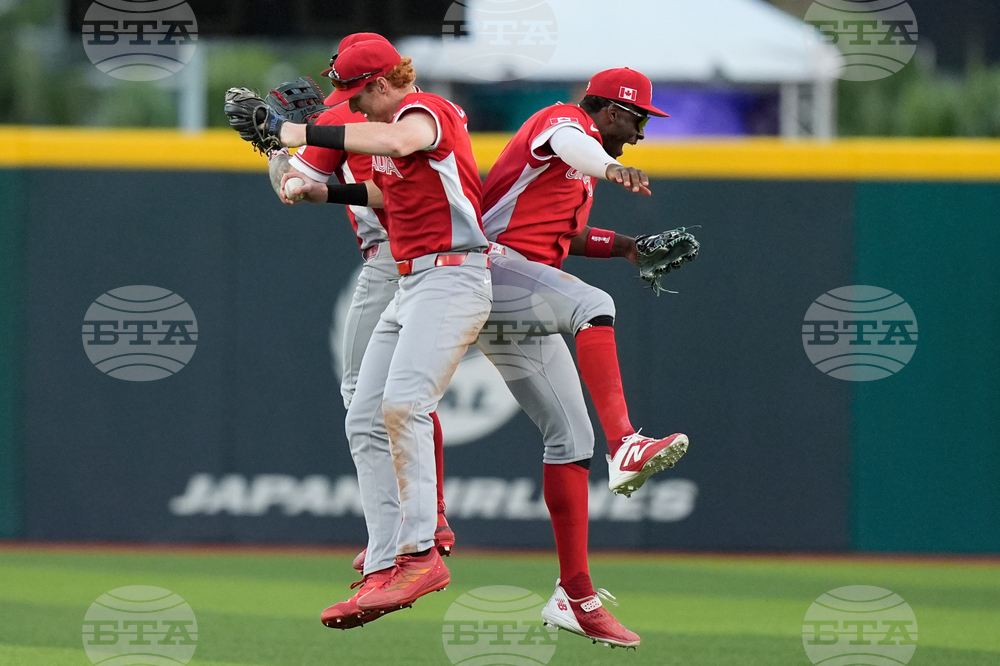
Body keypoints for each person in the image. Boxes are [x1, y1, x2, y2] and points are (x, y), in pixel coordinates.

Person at [270, 38, 492, 627]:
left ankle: (420, 552)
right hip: (412, 279)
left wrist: (300, 135)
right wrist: (322, 188)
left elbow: (396, 140)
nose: (352, 107)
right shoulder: (389, 130)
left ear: (384, 82)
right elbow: (380, 190)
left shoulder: (428, 113)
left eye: (356, 95)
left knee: (402, 405)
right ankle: (386, 562)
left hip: (454, 274)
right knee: (364, 416)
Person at [475, 67, 688, 648]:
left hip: (514, 290)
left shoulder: (574, 170)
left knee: (571, 441)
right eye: (638, 118)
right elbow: (573, 141)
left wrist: (626, 248)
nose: (641, 133)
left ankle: (577, 595)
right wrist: (612, 166)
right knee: (593, 305)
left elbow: (563, 238)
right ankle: (628, 443)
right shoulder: (564, 123)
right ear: (610, 110)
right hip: (484, 268)